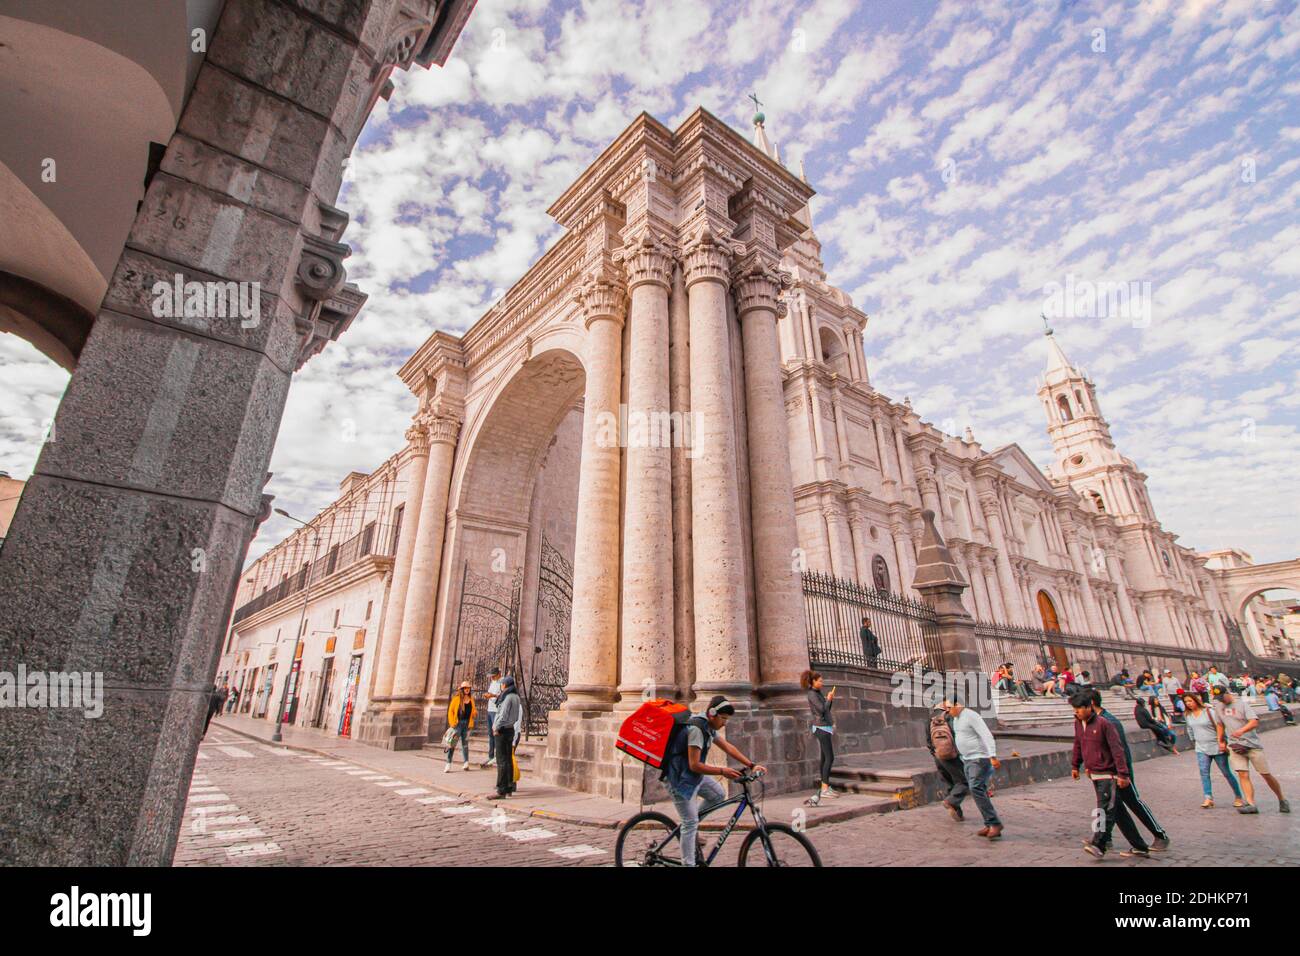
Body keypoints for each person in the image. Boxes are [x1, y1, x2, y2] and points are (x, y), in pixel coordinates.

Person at [663, 696, 766, 867]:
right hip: (678, 778)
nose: (725, 723)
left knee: (718, 794)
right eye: (723, 718)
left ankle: (691, 828)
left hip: (691, 776)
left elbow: (727, 746)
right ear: (712, 714)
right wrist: (722, 771)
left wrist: (751, 764)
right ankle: (688, 863)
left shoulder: (708, 727)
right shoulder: (697, 729)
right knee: (689, 823)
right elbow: (694, 765)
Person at [1071, 691, 1150, 860]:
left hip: (1109, 774)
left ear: (1088, 707)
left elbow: (1117, 750)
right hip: (1094, 773)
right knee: (1118, 812)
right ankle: (1139, 845)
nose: (1076, 712)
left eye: (1078, 709)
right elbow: (1078, 743)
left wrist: (1123, 774)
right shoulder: (1078, 723)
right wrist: (1075, 765)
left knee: (1104, 809)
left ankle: (1098, 844)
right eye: (1074, 709)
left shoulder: (1104, 724)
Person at [1088, 688, 1169, 851]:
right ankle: (1105, 839)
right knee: (1111, 807)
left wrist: (1123, 773)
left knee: (1134, 803)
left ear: (1090, 703)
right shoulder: (1093, 722)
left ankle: (1160, 835)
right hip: (1103, 772)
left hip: (1119, 772)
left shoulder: (1110, 722)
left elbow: (1120, 750)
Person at [1215, 689, 1290, 815]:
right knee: (1242, 774)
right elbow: (1219, 724)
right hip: (1235, 745)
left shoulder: (1242, 705)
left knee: (1265, 774)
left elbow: (1254, 721)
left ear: (1228, 693)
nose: (1222, 700)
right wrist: (1220, 740)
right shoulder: (1218, 708)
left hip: (1252, 745)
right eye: (1219, 698)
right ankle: (1251, 804)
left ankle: (1282, 799)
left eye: (1223, 697)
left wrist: (1241, 730)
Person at [946, 695, 1002, 838]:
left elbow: (986, 735)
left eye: (949, 707)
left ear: (958, 704)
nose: (947, 711)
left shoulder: (971, 716)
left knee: (975, 788)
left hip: (979, 759)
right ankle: (990, 823)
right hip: (967, 759)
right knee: (980, 790)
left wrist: (993, 756)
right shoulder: (956, 719)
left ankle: (994, 823)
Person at [1181, 690, 1243, 809]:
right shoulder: (1188, 715)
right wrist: (1194, 741)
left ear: (1196, 700)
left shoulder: (1209, 712)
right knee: (1204, 773)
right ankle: (1208, 797)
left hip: (1216, 746)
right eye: (1186, 702)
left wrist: (1222, 741)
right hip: (1201, 748)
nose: (1188, 703)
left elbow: (1220, 726)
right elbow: (1190, 729)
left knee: (1226, 773)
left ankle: (1238, 796)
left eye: (1190, 700)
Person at [926, 699, 968, 821]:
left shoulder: (930, 718)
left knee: (950, 784)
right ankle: (951, 801)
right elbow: (957, 735)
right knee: (963, 781)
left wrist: (935, 753)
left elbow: (928, 740)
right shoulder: (950, 717)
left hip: (938, 755)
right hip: (952, 755)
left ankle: (957, 811)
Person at [803, 670, 837, 805]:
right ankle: (824, 788)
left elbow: (826, 709)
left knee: (824, 758)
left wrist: (830, 699)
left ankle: (825, 786)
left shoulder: (817, 693)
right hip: (820, 727)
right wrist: (828, 699)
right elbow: (822, 710)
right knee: (830, 757)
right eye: (820, 681)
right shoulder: (812, 694)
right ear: (813, 681)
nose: (822, 683)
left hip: (825, 726)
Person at [487, 676, 522, 800]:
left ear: (506, 685)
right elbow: (516, 716)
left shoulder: (508, 697)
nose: (501, 686)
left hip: (502, 730)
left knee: (501, 760)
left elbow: (503, 714)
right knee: (507, 760)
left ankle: (501, 790)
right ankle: (509, 787)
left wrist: (496, 727)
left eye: (502, 684)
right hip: (510, 729)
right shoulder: (516, 697)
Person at [443, 681, 476, 772]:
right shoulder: (456, 699)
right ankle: (448, 764)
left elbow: (473, 711)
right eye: (465, 688)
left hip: (467, 725)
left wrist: (474, 713)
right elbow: (450, 711)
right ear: (462, 689)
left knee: (465, 745)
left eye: (468, 688)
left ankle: (466, 763)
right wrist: (452, 723)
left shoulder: (471, 699)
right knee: (452, 744)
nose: (467, 690)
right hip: (457, 725)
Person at [480, 667, 503, 767]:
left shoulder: (502, 682)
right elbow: (491, 693)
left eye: (493, 676)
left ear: (499, 674)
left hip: (496, 710)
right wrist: (487, 695)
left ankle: (498, 755)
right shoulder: (493, 682)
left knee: (496, 733)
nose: (492, 678)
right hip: (490, 709)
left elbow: (502, 696)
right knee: (490, 734)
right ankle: (491, 755)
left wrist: (492, 696)